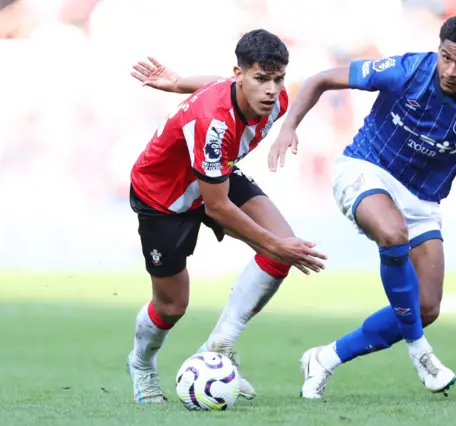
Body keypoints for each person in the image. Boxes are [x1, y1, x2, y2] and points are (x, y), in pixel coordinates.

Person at [268, 13, 456, 399]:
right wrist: (290, 125)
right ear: (438, 50)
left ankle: (324, 358)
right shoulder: (407, 70)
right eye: (446, 57)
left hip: (422, 199)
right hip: (365, 167)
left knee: (426, 307)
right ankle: (420, 350)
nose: (451, 70)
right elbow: (320, 79)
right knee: (392, 233)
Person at [126, 29, 326, 404]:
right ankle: (141, 363)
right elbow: (217, 206)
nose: (271, 89)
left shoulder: (275, 100)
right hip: (163, 196)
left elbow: (218, 84)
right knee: (173, 306)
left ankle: (219, 346)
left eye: (277, 78)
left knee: (280, 250)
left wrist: (177, 82)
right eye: (261, 78)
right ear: (241, 74)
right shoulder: (214, 123)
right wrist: (275, 244)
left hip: (215, 173)